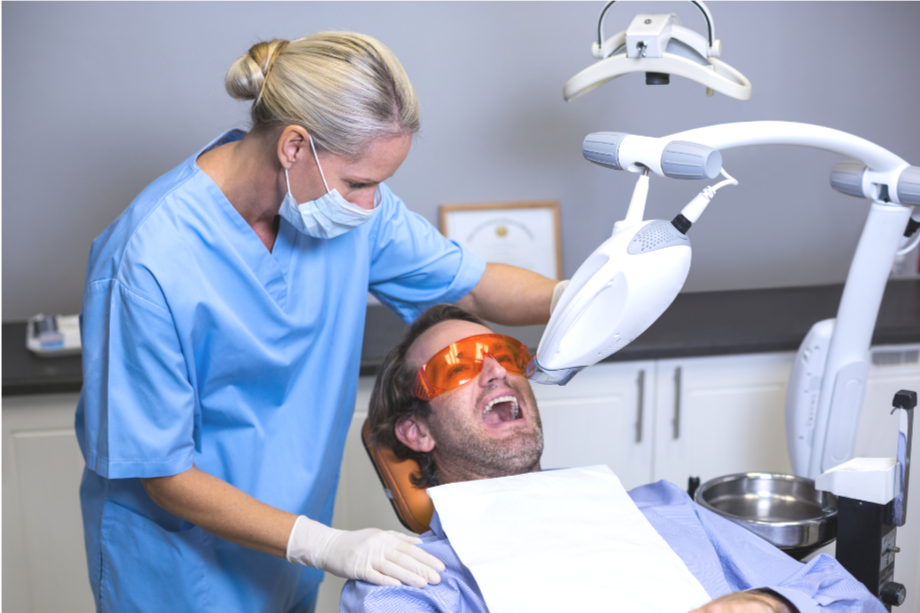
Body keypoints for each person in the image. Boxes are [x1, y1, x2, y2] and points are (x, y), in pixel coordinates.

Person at [75, 32, 560, 612]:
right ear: (294, 147)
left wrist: (584, 298)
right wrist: (320, 543)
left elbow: (475, 283)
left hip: (288, 559)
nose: (371, 205)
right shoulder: (146, 262)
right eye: (358, 183)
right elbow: (162, 472)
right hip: (179, 569)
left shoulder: (348, 211)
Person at [341, 304, 885, 613]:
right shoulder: (411, 580)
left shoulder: (664, 509)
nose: (497, 373)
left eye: (506, 355)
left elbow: (846, 598)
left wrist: (772, 606)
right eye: (457, 366)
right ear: (416, 431)